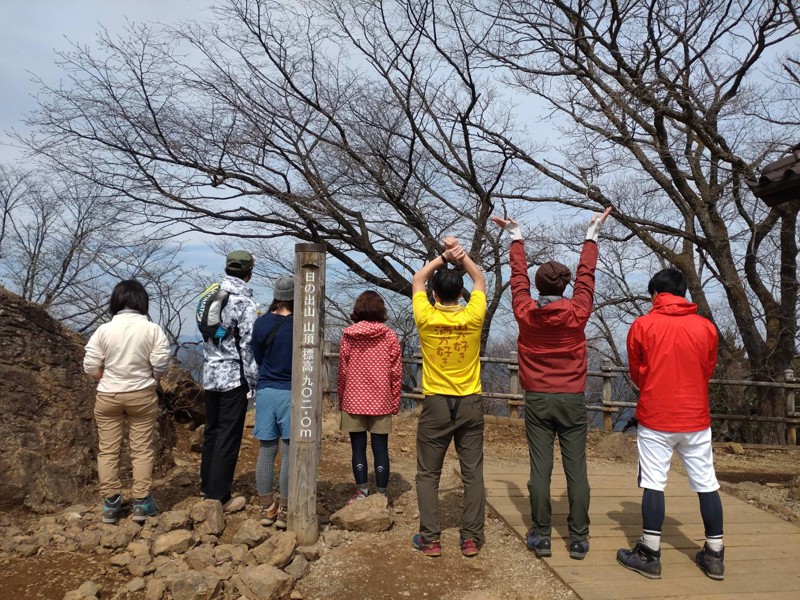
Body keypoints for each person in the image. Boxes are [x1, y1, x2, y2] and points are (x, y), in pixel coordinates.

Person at [492, 207, 612, 560]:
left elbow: (517, 279)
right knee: (577, 469)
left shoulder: (525, 312)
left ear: (538, 286)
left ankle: (541, 534)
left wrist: (516, 237)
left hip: (538, 400)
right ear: (566, 286)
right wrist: (591, 234)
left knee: (539, 469)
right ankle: (578, 538)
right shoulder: (577, 312)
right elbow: (587, 276)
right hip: (572, 399)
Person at [617, 268, 723, 580]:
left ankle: (649, 553)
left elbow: (637, 372)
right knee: (707, 483)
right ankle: (715, 555)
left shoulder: (642, 325)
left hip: (656, 416)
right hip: (695, 416)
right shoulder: (706, 327)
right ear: (684, 292)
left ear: (655, 294)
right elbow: (707, 369)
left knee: (653, 482)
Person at [411, 237, 486, 558]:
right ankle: (470, 538)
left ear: (435, 294)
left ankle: (431, 539)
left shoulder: (426, 317)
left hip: (436, 403)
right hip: (470, 401)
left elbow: (417, 279)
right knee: (472, 472)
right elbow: (479, 278)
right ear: (460, 294)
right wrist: (461, 255)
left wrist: (444, 256)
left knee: (429, 472)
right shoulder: (473, 317)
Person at [83, 280, 171, 524]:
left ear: (116, 301)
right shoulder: (152, 330)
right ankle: (142, 502)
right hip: (141, 394)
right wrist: (153, 377)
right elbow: (161, 364)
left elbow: (90, 365)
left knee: (108, 450)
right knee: (141, 449)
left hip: (108, 395)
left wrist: (104, 376)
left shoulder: (104, 330)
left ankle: (110, 504)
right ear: (142, 302)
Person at [201, 250, 259, 513]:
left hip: (209, 373)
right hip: (233, 376)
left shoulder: (212, 294)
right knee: (228, 434)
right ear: (249, 272)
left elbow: (213, 334)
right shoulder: (244, 302)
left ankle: (207, 486)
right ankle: (220, 496)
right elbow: (247, 345)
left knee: (212, 431)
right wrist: (254, 381)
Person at [338, 291, 402, 504]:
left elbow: (342, 370)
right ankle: (382, 493)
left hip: (353, 398)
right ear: (380, 310)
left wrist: (342, 397)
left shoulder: (348, 335)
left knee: (357, 447)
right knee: (380, 447)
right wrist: (395, 400)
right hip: (381, 399)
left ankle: (362, 491)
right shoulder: (389, 335)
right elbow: (396, 371)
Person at [251, 275, 295, 529]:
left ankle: (267, 508)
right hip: (291, 392)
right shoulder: (302, 324)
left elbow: (257, 356)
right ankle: (287, 508)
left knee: (266, 451)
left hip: (266, 390)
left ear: (276, 294)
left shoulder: (262, 323)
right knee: (289, 452)